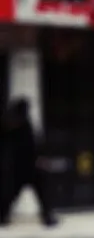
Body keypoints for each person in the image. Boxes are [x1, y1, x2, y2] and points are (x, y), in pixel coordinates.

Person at [0, 97, 58, 227]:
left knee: (15, 193)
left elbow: (33, 143)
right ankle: (47, 216)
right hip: (20, 166)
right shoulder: (12, 124)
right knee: (12, 193)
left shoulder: (21, 123)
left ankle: (47, 216)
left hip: (27, 165)